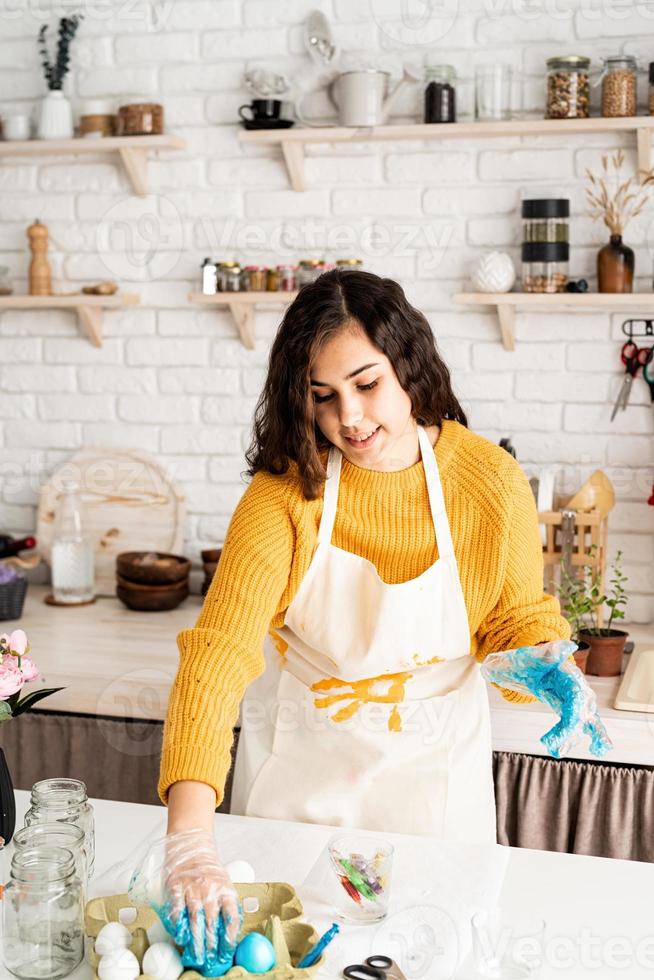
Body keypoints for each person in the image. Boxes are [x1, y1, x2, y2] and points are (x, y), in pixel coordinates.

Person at [158, 270, 570, 935]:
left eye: (367, 384)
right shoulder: (285, 496)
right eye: (322, 397)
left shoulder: (489, 481)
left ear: (409, 364)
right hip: (302, 786)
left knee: (429, 952)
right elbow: (218, 658)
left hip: (433, 792)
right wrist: (188, 840)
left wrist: (546, 665)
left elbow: (510, 622)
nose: (347, 418)